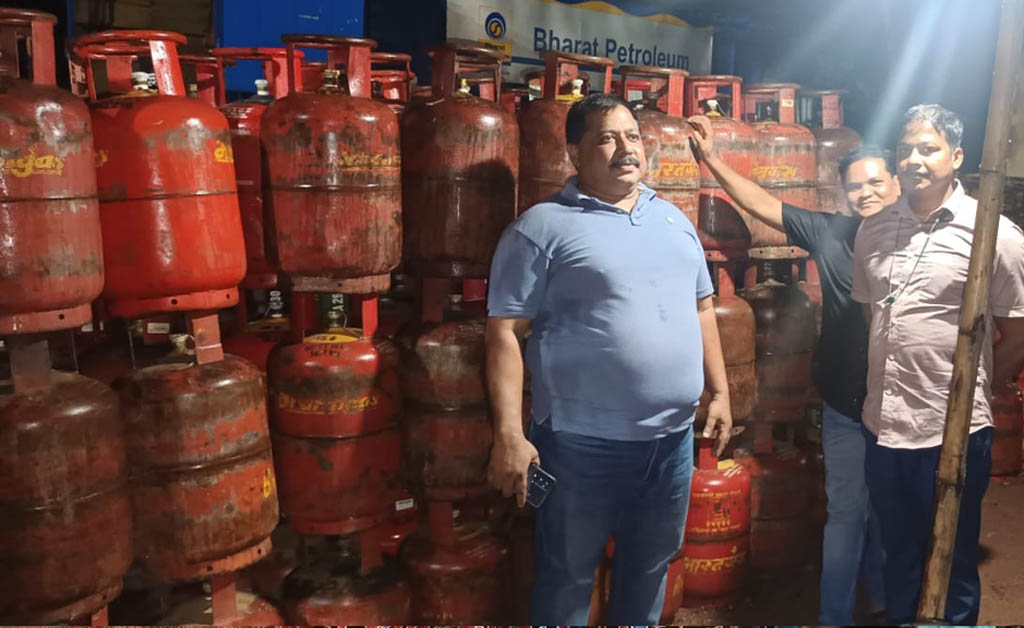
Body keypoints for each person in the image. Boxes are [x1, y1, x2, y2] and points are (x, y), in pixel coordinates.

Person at [485, 93, 732, 625]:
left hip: (671, 442)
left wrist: (720, 391)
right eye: (607, 138)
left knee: (650, 568)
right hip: (580, 444)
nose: (626, 148)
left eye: (633, 136)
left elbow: (702, 307)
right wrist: (509, 434)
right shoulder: (541, 228)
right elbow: (505, 332)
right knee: (568, 577)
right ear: (575, 153)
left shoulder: (674, 220)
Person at [687, 115, 892, 625]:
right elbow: (762, 204)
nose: (865, 194)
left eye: (875, 183)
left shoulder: (917, 241)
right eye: (855, 187)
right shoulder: (830, 232)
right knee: (846, 511)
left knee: (892, 508)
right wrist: (712, 159)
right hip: (846, 401)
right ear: (843, 194)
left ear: (897, 184)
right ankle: (835, 615)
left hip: (903, 403)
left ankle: (887, 601)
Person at [851, 103, 1024, 624]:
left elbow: (1017, 334)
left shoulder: (994, 234)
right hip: (883, 427)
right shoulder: (873, 230)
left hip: (953, 430)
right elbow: (872, 318)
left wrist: (975, 391)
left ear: (958, 156)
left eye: (928, 148)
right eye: (905, 149)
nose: (913, 159)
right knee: (898, 554)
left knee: (955, 558)